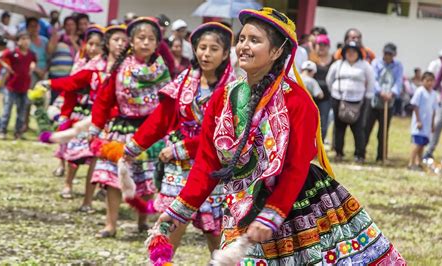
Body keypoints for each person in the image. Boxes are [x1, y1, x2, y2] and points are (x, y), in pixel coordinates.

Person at [154, 7, 405, 265]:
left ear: (276, 51)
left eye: (255, 40)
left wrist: (272, 213)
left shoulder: (297, 102)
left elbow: (297, 165)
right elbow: (207, 161)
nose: (244, 46)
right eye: (242, 39)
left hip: (293, 205)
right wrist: (180, 209)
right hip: (241, 204)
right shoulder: (223, 97)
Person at [123, 21, 235, 253]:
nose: (206, 54)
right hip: (179, 166)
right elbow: (162, 118)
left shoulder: (233, 88)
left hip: (212, 163)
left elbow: (221, 134)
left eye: (214, 49)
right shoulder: (186, 80)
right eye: (202, 47)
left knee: (214, 230)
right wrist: (134, 146)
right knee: (172, 219)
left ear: (225, 53)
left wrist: (182, 148)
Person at [89, 17, 171, 238]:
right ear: (131, 41)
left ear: (157, 43)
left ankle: (142, 220)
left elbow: (169, 105)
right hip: (122, 129)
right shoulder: (121, 67)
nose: (145, 43)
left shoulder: (161, 70)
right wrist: (95, 128)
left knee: (146, 180)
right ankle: (110, 224)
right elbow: (104, 99)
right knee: (113, 179)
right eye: (140, 38)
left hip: (151, 132)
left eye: (150, 39)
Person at [39, 25, 105, 207]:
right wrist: (65, 114)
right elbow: (70, 86)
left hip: (97, 115)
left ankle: (93, 195)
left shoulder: (105, 67)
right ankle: (68, 184)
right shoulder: (80, 64)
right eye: (90, 44)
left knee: (96, 156)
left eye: (97, 45)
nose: (93, 48)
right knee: (74, 154)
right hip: (79, 113)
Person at [327, 41, 375, 163]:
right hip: (339, 98)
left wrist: (368, 97)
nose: (351, 54)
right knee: (339, 127)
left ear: (358, 53)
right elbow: (329, 79)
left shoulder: (365, 66)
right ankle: (339, 152)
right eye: (348, 51)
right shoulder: (338, 65)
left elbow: (370, 82)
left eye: (354, 51)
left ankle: (360, 154)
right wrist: (334, 92)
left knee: (358, 128)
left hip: (358, 101)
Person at [365, 43, 403, 162]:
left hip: (388, 102)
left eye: (390, 54)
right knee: (367, 128)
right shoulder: (376, 63)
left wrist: (392, 93)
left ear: (394, 54)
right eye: (386, 53)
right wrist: (380, 92)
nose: (387, 56)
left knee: (383, 131)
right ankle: (361, 153)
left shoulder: (398, 66)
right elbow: (373, 79)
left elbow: (398, 81)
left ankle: (381, 156)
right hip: (375, 101)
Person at [0, 30, 36, 140]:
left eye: (27, 39)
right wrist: (6, 66)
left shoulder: (31, 54)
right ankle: (2, 130)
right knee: (7, 109)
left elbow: (33, 61)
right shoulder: (13, 52)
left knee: (21, 111)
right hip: (11, 87)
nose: (26, 41)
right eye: (23, 39)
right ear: (18, 41)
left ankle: (18, 132)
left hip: (24, 87)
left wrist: (32, 66)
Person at [408, 72, 438, 170]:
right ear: (422, 81)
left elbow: (434, 110)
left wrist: (433, 124)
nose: (429, 83)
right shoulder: (420, 91)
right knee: (417, 144)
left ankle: (418, 162)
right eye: (427, 80)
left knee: (422, 145)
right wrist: (418, 120)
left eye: (431, 81)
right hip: (419, 123)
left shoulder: (434, 94)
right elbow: (415, 106)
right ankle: (411, 163)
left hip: (427, 123)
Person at [48, 16, 80, 104]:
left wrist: (72, 41)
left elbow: (80, 54)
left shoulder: (79, 39)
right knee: (54, 100)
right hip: (55, 74)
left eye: (72, 24)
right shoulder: (59, 37)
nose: (70, 27)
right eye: (67, 25)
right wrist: (54, 35)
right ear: (64, 26)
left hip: (70, 75)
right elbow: (50, 50)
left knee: (66, 100)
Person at [310, 34, 334, 141]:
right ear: (315, 46)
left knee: (323, 122)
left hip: (326, 97)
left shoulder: (334, 61)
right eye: (319, 44)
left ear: (328, 46)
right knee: (310, 122)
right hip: (311, 97)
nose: (322, 47)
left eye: (324, 44)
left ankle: (319, 148)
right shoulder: (310, 59)